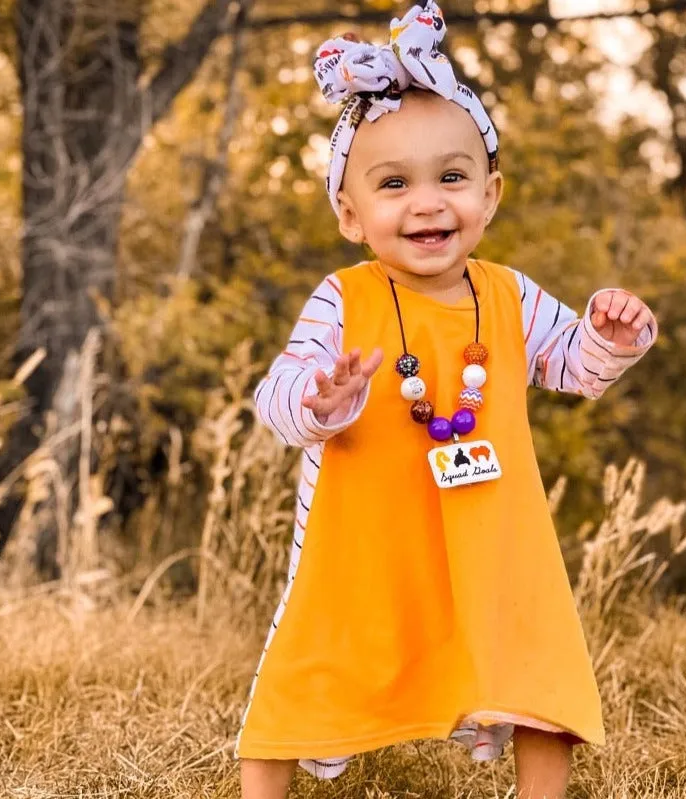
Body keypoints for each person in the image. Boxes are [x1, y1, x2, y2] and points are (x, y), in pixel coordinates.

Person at [235, 3, 657, 797]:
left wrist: (611, 333)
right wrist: (322, 399)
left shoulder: (507, 295)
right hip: (364, 534)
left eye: (451, 178)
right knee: (308, 662)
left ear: (489, 196)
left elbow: (574, 367)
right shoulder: (341, 298)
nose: (427, 203)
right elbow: (277, 395)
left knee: (531, 657)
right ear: (350, 214)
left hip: (491, 530)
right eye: (393, 184)